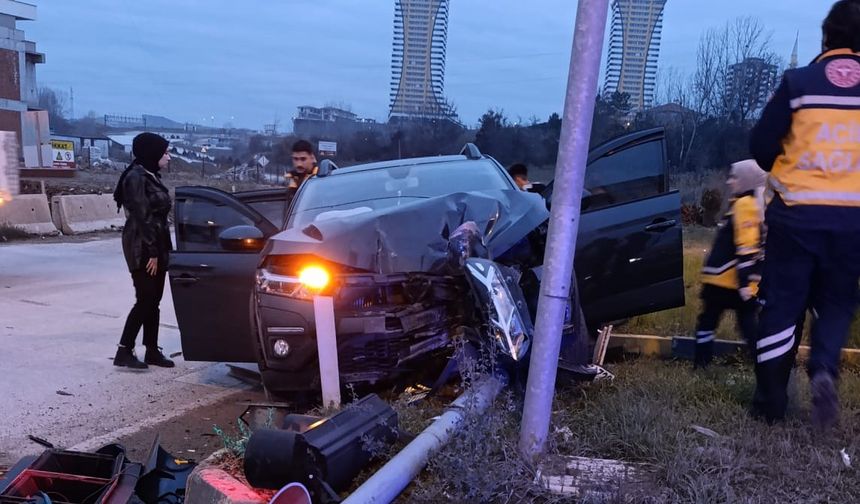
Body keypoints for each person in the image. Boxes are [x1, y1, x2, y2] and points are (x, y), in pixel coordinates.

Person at [749, 0, 860, 427]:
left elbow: (761, 147)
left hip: (796, 218)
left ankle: (771, 404)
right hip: (852, 224)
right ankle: (824, 369)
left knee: (782, 306)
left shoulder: (799, 83)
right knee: (836, 302)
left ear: (826, 37)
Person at [694, 160, 767, 368]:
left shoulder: (744, 205)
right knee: (747, 325)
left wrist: (744, 283)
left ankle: (702, 364)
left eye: (734, 177)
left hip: (725, 280)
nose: (729, 181)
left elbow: (746, 245)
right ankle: (764, 363)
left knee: (708, 322)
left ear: (747, 180)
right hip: (729, 280)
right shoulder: (745, 204)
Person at [112, 133, 175, 369]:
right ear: (152, 153)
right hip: (142, 245)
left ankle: (152, 350)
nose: (168, 157)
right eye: (165, 152)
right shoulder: (135, 177)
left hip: (156, 243)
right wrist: (153, 253)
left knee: (154, 300)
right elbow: (142, 216)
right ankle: (124, 350)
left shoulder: (150, 175)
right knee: (145, 298)